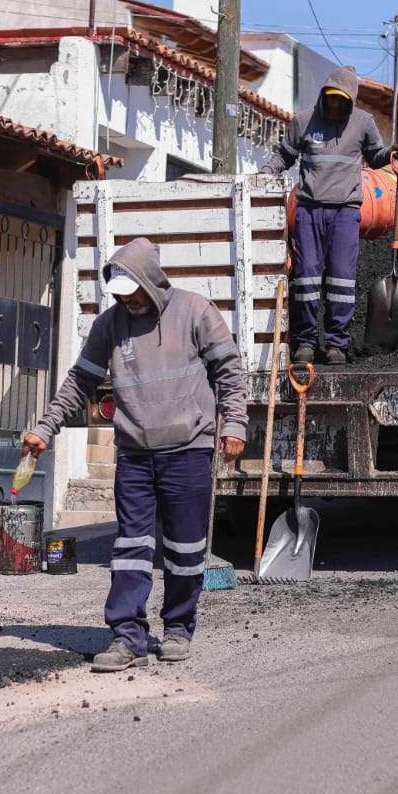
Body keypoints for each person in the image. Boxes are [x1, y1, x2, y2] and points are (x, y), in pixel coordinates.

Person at [22, 239, 248, 672]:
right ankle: (128, 637)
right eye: (120, 290)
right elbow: (78, 383)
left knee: (184, 550)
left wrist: (234, 425)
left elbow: (231, 374)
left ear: (151, 279)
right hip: (135, 457)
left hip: (188, 451)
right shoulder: (110, 325)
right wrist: (45, 428)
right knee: (130, 548)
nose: (127, 297)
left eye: (133, 288)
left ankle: (179, 628)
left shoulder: (196, 312)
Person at [262, 64, 398, 365]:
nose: (333, 103)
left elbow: (374, 157)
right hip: (308, 211)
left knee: (342, 281)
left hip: (345, 212)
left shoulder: (363, 123)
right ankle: (305, 343)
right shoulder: (303, 121)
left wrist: (392, 154)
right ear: (323, 95)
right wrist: (266, 173)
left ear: (350, 99)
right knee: (306, 280)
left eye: (340, 99)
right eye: (329, 97)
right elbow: (284, 156)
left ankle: (336, 345)